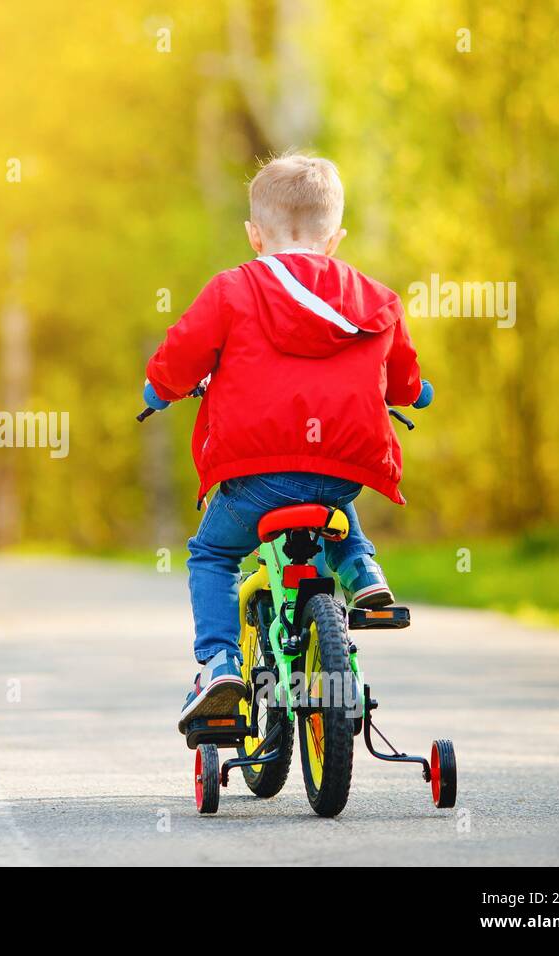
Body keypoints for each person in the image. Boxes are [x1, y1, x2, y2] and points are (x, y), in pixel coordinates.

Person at [142, 152, 432, 733]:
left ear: (254, 234)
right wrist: (418, 392)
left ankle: (221, 663)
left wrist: (158, 390)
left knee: (213, 554)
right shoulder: (375, 298)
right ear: (336, 236)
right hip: (344, 468)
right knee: (335, 507)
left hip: (256, 474)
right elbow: (401, 380)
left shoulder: (232, 289)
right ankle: (366, 576)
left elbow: (179, 359)